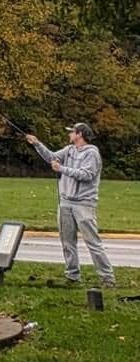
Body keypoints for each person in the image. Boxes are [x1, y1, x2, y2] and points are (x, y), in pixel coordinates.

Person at [25, 122, 117, 289]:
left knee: (93, 242)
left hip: (84, 203)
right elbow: (51, 157)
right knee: (67, 242)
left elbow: (86, 175)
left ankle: (107, 278)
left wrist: (62, 169)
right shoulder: (69, 150)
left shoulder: (92, 154)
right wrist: (37, 144)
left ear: (80, 134)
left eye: (72, 132)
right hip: (65, 201)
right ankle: (72, 276)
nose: (69, 135)